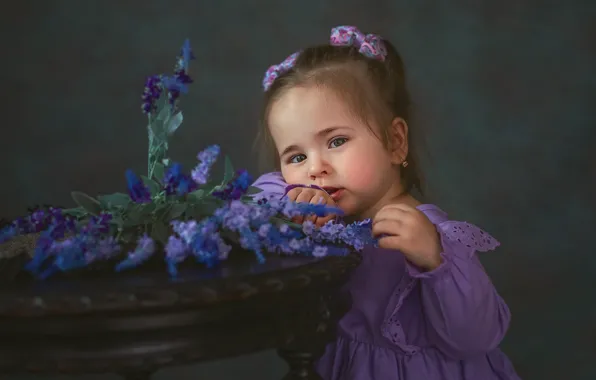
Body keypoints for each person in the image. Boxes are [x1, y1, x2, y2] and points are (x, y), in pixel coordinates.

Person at [251, 25, 520, 380]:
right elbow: (252, 201)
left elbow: (476, 338)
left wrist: (436, 263)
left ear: (395, 142)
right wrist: (291, 198)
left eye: (336, 141)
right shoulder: (318, 217)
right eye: (296, 157)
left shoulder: (432, 236)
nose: (316, 169)